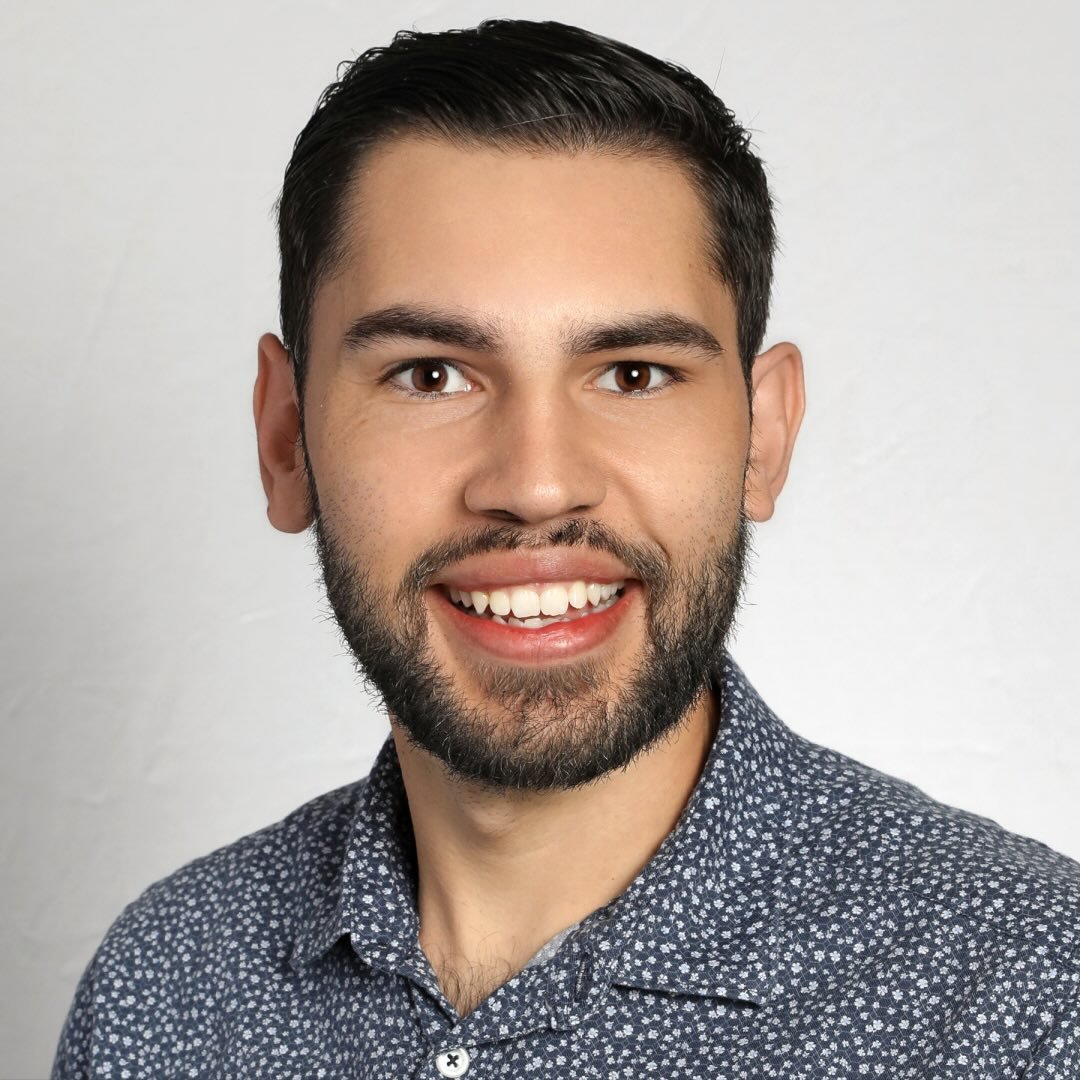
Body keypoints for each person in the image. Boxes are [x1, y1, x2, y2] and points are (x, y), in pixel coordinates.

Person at [53, 19, 1080, 1079]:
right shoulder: (163, 989)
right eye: (429, 375)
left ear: (764, 437)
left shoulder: (1037, 1003)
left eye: (634, 374)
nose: (536, 484)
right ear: (285, 439)